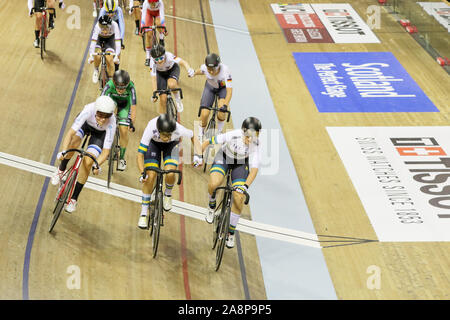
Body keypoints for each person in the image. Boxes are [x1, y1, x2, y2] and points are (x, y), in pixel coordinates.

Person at [202, 117, 262, 248]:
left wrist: (245, 186)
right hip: (224, 157)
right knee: (214, 183)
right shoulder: (234, 134)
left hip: (240, 164)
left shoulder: (256, 144)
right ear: (243, 132)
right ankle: (211, 205)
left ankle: (231, 232)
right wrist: (198, 154)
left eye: (255, 135)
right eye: (249, 135)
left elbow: (254, 169)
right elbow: (209, 141)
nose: (251, 139)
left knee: (239, 197)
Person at [51, 96, 117, 213]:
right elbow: (70, 133)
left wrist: (96, 165)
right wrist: (63, 151)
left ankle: (73, 199)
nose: (103, 120)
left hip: (99, 135)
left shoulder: (112, 122)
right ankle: (61, 169)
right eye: (100, 115)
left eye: (107, 116)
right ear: (95, 111)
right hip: (85, 125)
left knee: (87, 162)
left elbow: (106, 152)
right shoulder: (89, 109)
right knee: (74, 142)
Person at [137, 114, 203, 229]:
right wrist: (143, 172)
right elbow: (140, 155)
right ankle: (143, 213)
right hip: (153, 145)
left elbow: (193, 136)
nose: (167, 137)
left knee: (171, 172)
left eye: (169, 135)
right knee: (150, 176)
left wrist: (199, 156)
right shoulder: (151, 127)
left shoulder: (178, 129)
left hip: (171, 146)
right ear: (159, 130)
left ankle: (167, 193)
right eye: (164, 135)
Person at [191, 53, 233, 141]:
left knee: (221, 111)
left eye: (213, 69)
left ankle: (220, 131)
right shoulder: (204, 68)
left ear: (218, 66)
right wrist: (194, 73)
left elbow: (229, 91)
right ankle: (201, 132)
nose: (210, 71)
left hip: (222, 89)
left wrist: (225, 105)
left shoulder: (226, 70)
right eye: (208, 69)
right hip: (210, 88)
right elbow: (201, 71)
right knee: (204, 113)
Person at [101, 70, 137, 171]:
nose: (121, 90)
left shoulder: (131, 87)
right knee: (104, 122)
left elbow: (133, 107)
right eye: (118, 88)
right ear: (114, 82)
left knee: (124, 131)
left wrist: (132, 123)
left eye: (123, 88)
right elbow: (101, 101)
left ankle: (121, 157)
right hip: (112, 102)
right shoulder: (109, 85)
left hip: (125, 106)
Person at [149, 44, 194, 115]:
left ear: (164, 55)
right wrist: (154, 93)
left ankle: (177, 99)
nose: (159, 61)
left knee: (171, 84)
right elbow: (153, 79)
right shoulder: (152, 63)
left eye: (161, 58)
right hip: (160, 74)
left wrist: (189, 69)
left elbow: (183, 62)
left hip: (172, 70)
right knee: (163, 99)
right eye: (157, 59)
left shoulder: (169, 56)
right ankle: (162, 118)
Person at [88, 15, 122, 84]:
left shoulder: (115, 25)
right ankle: (96, 69)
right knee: (97, 55)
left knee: (109, 59)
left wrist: (116, 56)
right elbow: (93, 42)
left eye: (106, 28)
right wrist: (91, 55)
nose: (104, 30)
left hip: (110, 40)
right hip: (99, 39)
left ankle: (110, 80)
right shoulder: (97, 26)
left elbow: (118, 42)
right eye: (102, 28)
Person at [140, 0, 168, 66]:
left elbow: (162, 17)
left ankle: (161, 38)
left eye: (154, 3)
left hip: (158, 13)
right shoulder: (146, 3)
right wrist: (142, 28)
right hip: (148, 14)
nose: (152, 5)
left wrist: (164, 29)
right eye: (151, 3)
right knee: (149, 35)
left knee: (158, 23)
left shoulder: (160, 3)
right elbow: (143, 17)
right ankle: (148, 57)